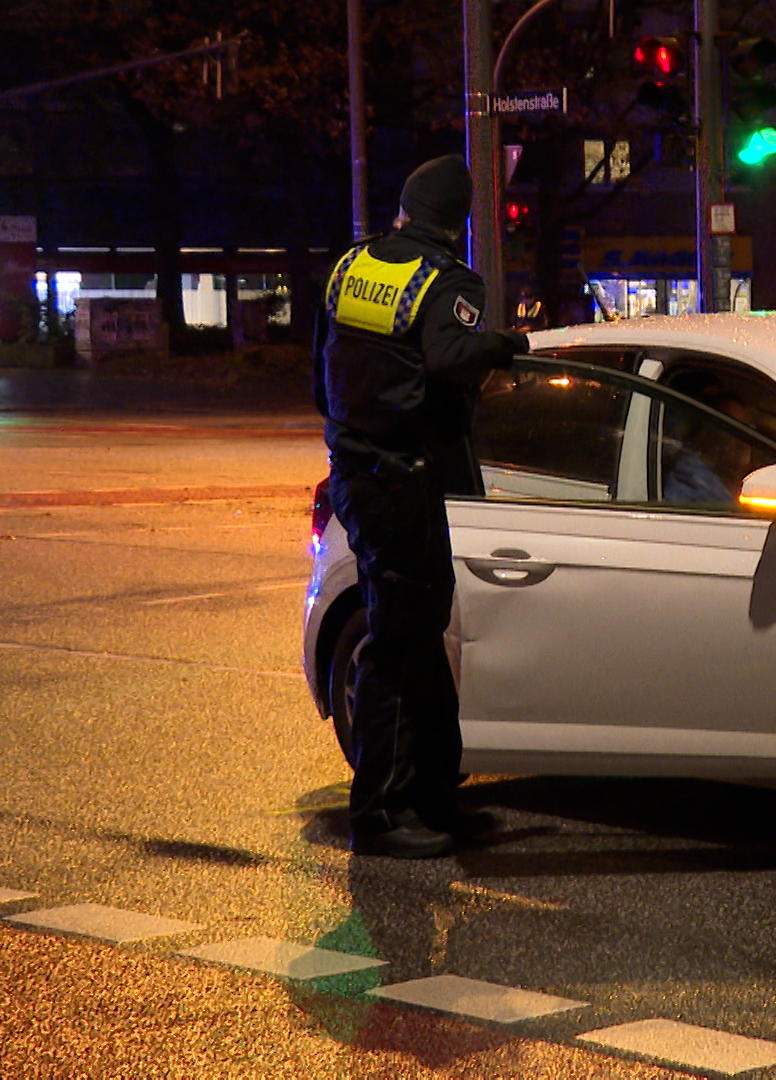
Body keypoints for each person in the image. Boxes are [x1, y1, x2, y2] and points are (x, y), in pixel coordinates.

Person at [313, 155, 528, 858]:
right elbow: (447, 357)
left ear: (405, 207)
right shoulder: (447, 280)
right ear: (458, 222)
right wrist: (506, 346)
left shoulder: (352, 268)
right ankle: (378, 812)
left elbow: (322, 367)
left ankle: (435, 795)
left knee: (418, 628)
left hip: (357, 471)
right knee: (400, 643)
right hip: (402, 481)